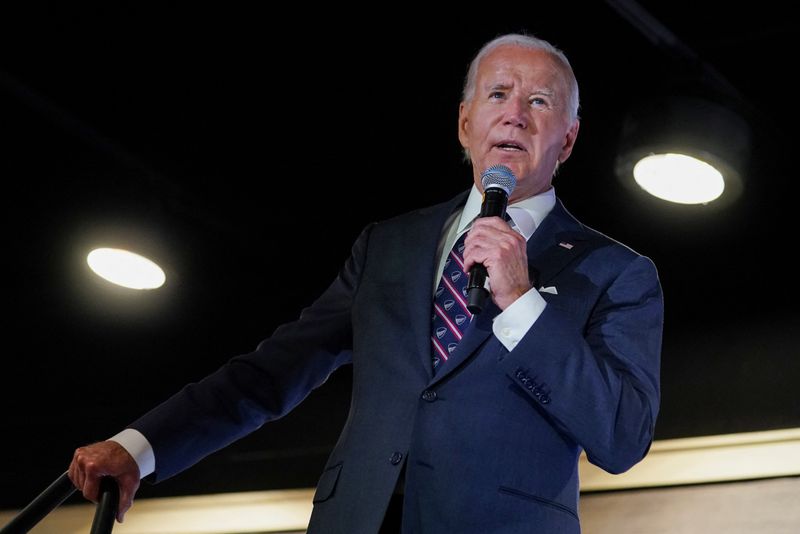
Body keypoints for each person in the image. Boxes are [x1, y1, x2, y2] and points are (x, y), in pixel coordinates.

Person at [69, 33, 663, 533]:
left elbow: (620, 437)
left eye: (539, 101)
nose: (514, 113)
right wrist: (141, 447)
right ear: (464, 122)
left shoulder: (613, 272)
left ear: (569, 137)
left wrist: (522, 302)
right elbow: (271, 373)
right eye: (498, 94)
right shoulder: (388, 246)